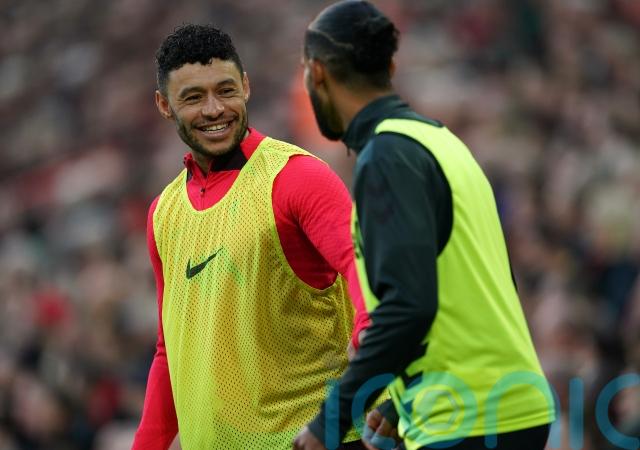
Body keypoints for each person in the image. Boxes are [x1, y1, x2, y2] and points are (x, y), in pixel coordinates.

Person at [293, 2, 556, 450]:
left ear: (316, 74)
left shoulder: (387, 158)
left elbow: (408, 307)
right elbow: (482, 288)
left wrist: (329, 423)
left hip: (464, 418)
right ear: (391, 68)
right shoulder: (441, 142)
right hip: (511, 405)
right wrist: (398, 404)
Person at [131, 24, 372, 450]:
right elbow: (170, 352)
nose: (214, 109)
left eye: (225, 90)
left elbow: (366, 269)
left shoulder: (297, 177)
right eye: (193, 97)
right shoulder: (163, 213)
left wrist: (370, 347)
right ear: (164, 105)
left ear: (245, 86)